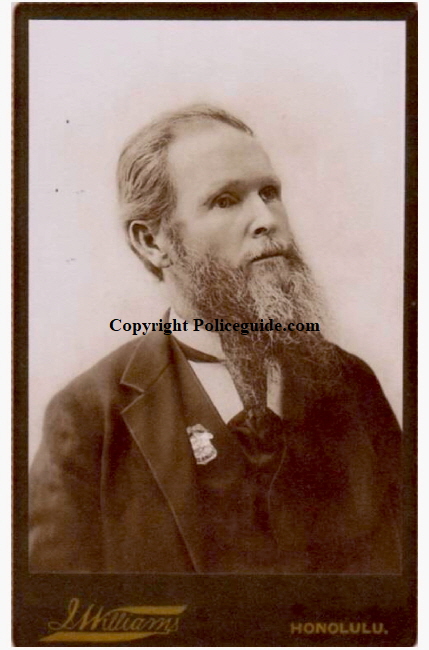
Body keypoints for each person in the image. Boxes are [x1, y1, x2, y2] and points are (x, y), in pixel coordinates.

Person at [29, 104, 401, 573]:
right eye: (225, 200)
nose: (266, 219)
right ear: (151, 241)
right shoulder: (87, 419)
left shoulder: (351, 383)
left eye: (270, 193)